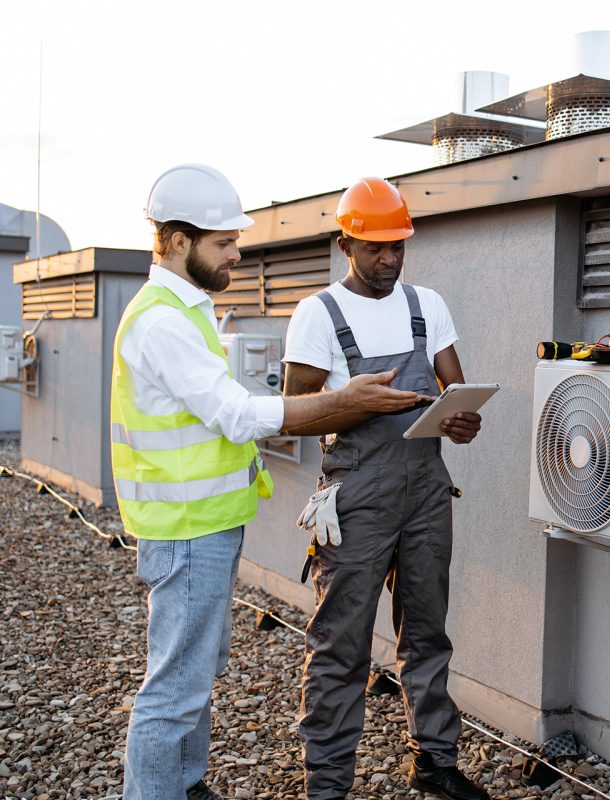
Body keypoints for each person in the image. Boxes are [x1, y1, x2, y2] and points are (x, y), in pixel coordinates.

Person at [113, 164, 427, 800]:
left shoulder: (184, 311)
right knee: (174, 690)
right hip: (186, 529)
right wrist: (344, 403)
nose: (237, 253)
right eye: (225, 242)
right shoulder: (164, 322)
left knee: (196, 673)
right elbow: (235, 415)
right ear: (178, 240)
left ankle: (185, 785)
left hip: (204, 524)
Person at [282, 177, 486, 800]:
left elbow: (456, 397)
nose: (391, 259)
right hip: (356, 498)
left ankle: (434, 761)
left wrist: (463, 422)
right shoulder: (319, 314)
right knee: (341, 642)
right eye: (376, 248)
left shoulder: (427, 305)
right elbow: (293, 414)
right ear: (346, 244)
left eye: (398, 246)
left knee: (426, 630)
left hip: (426, 492)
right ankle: (327, 785)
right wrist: (358, 403)